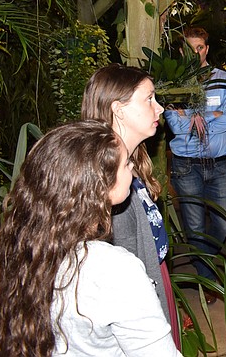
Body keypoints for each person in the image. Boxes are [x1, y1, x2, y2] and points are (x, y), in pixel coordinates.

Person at [0, 120, 181, 357]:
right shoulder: (113, 269)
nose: (132, 167)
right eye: (126, 162)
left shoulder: (21, 249)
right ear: (101, 185)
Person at [81, 64, 180, 347]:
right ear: (119, 109)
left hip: (152, 272)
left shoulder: (133, 160)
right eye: (149, 98)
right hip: (135, 292)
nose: (159, 108)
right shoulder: (107, 180)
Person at [164, 27, 226, 296]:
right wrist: (214, 114)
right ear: (182, 51)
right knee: (195, 229)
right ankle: (209, 280)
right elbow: (175, 126)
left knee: (224, 224)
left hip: (218, 165)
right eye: (190, 48)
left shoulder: (225, 80)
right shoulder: (173, 84)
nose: (196, 53)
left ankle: (203, 266)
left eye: (201, 47)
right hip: (186, 166)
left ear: (206, 49)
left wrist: (196, 116)